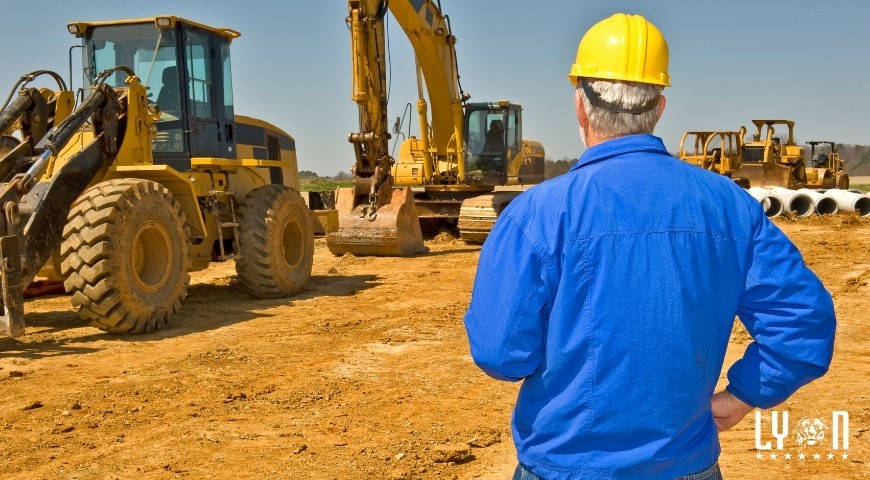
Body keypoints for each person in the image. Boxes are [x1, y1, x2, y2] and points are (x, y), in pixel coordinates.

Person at [463, 13, 835, 480]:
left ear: (580, 105)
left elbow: (502, 355)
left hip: (564, 466)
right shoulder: (728, 208)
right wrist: (742, 397)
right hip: (685, 464)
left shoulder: (535, 215)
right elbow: (801, 325)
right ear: (659, 107)